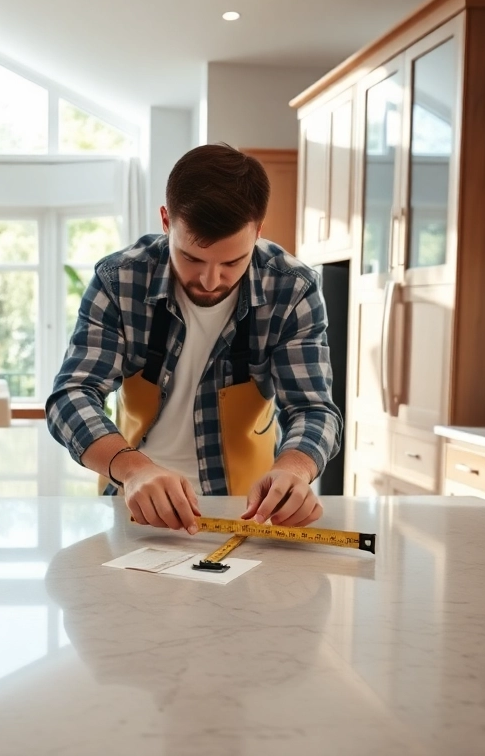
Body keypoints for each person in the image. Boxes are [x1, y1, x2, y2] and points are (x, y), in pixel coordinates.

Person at [46, 143, 341, 534]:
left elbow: (312, 409)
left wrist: (294, 470)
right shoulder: (119, 281)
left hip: (245, 515)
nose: (210, 280)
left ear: (258, 229)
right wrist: (134, 470)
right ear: (166, 221)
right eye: (192, 258)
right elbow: (72, 395)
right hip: (135, 507)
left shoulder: (292, 289)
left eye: (233, 262)